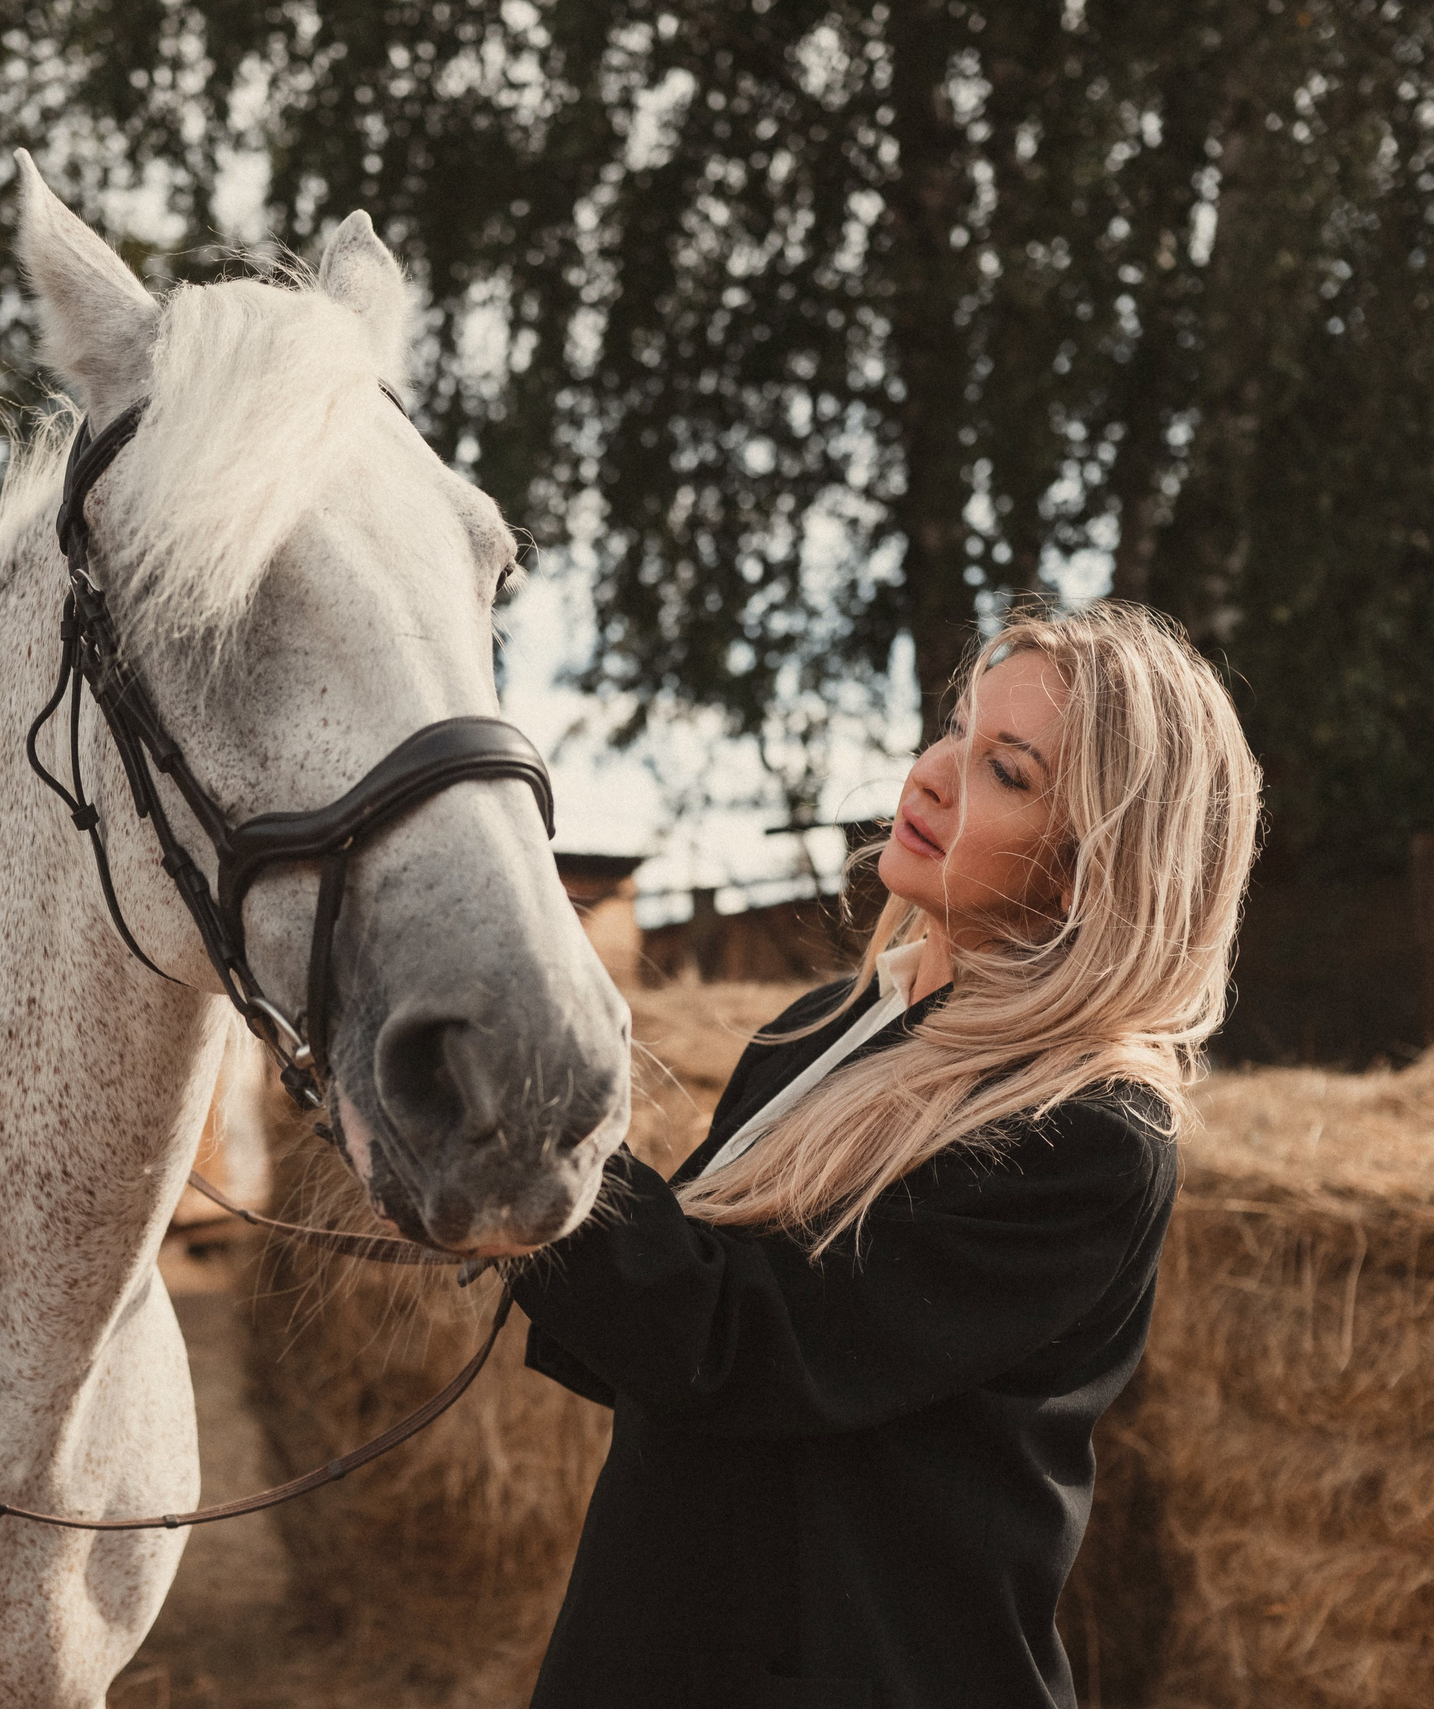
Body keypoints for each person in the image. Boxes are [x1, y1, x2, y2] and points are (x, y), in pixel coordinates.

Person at [511, 600, 1261, 1708]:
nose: (931, 778)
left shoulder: (1082, 1138)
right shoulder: (822, 1023)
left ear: (1087, 869)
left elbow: (736, 1342)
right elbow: (656, 1337)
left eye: (1006, 771)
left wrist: (518, 1132)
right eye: (955, 729)